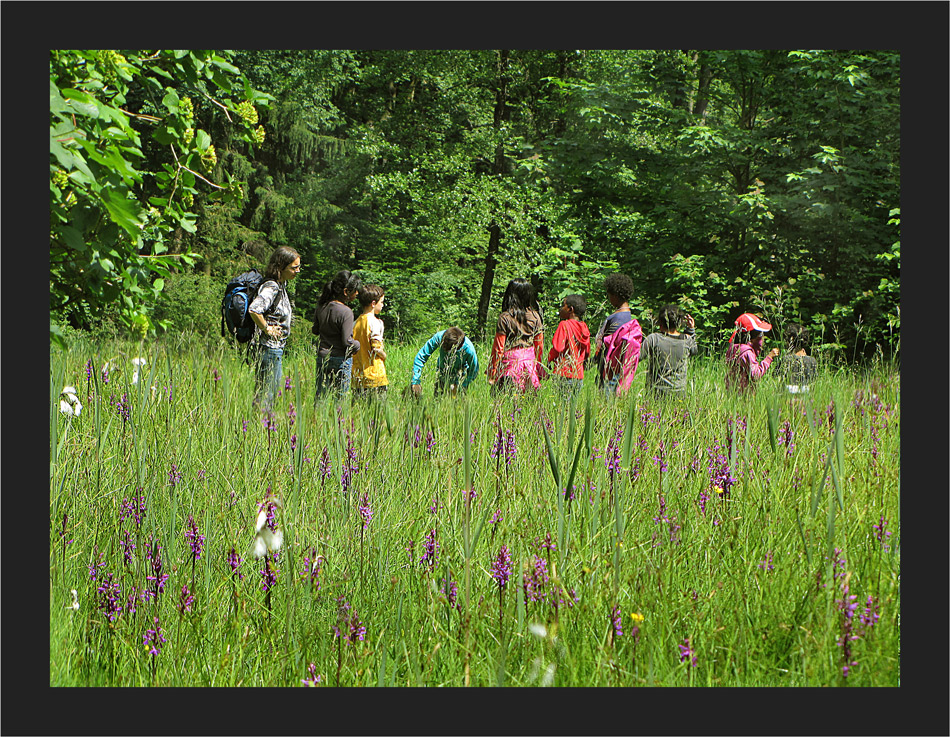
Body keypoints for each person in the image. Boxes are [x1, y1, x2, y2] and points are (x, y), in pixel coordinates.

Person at [247, 246, 302, 412]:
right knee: (266, 393)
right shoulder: (271, 287)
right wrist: (267, 328)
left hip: (275, 349)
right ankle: (261, 426)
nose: (298, 271)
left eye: (299, 267)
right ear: (281, 266)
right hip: (269, 349)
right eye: (294, 267)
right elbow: (254, 309)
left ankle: (262, 424)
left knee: (269, 391)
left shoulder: (281, 285)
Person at [486, 278, 545, 394]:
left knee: (502, 400)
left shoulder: (504, 318)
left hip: (509, 365)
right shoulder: (535, 316)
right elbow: (539, 346)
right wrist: (539, 368)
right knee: (528, 401)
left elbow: (499, 348)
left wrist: (493, 371)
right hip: (529, 365)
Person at [312, 270, 362, 400]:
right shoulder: (346, 312)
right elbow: (347, 342)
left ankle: (318, 419)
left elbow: (315, 330)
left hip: (323, 357)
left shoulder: (321, 306)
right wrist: (357, 344)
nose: (357, 293)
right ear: (346, 291)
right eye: (355, 290)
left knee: (320, 397)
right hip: (340, 360)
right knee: (340, 400)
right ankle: (339, 421)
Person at [640, 305, 698, 399]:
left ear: (661, 323)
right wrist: (691, 330)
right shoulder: (687, 340)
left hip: (656, 392)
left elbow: (637, 357)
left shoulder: (654, 338)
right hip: (679, 392)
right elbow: (694, 351)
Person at [592, 273, 636, 393]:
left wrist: (594, 360)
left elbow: (605, 345)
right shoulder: (629, 318)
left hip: (608, 370)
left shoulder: (615, 319)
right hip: (620, 369)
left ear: (615, 295)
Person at [410, 327, 479, 397]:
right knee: (438, 401)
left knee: (457, 405)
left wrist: (461, 386)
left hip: (460, 377)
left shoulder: (469, 350)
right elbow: (421, 357)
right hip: (442, 375)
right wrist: (415, 381)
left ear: (458, 346)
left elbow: (474, 371)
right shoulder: (440, 337)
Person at [547, 294, 591, 397]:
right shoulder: (584, 327)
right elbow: (587, 352)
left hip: (563, 373)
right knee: (572, 409)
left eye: (563, 305)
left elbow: (558, 348)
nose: (561, 308)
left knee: (561, 408)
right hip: (578, 375)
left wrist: (549, 359)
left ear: (570, 309)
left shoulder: (564, 325)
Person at [725, 312, 780, 392]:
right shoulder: (747, 353)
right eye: (761, 335)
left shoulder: (734, 348)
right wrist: (769, 357)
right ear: (753, 337)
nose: (762, 338)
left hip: (731, 389)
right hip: (744, 393)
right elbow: (756, 375)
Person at [351, 284, 389, 400]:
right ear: (373, 304)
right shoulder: (375, 322)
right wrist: (384, 355)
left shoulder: (355, 323)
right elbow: (376, 347)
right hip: (375, 375)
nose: (382, 305)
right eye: (381, 302)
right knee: (378, 412)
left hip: (358, 376)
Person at [777, 323, 818, 394]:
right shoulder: (812, 361)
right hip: (806, 401)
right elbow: (814, 383)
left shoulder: (786, 359)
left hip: (787, 400)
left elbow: (778, 380)